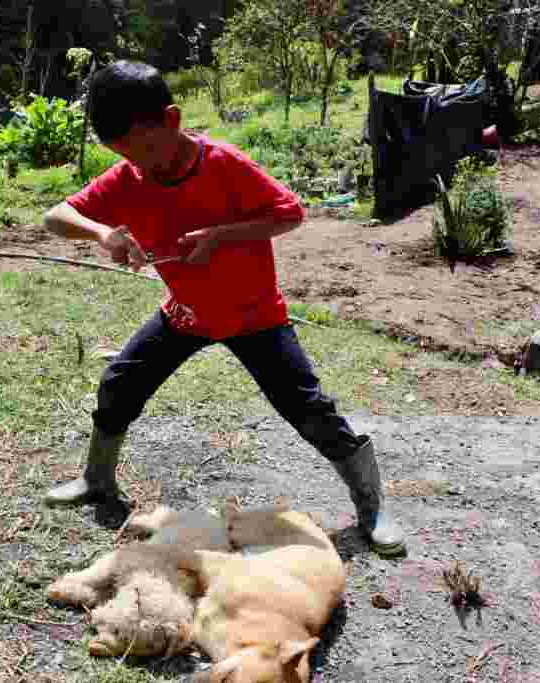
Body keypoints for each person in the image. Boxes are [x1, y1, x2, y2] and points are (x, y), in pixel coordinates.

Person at [41, 60, 406, 558]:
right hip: (186, 313)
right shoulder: (129, 177)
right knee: (120, 382)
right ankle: (96, 480)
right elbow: (56, 216)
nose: (141, 166)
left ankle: (372, 508)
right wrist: (103, 232)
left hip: (255, 317)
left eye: (145, 150)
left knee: (308, 408)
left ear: (171, 120)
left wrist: (221, 237)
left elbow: (290, 213)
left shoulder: (223, 163)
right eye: (127, 157)